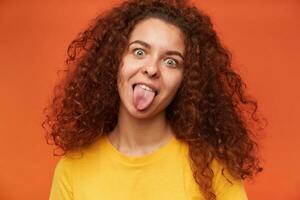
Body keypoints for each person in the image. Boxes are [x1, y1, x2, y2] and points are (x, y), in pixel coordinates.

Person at [43, 0, 264, 199]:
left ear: (186, 81)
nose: (151, 69)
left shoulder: (214, 168)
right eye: (139, 52)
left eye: (171, 62)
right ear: (114, 60)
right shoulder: (72, 169)